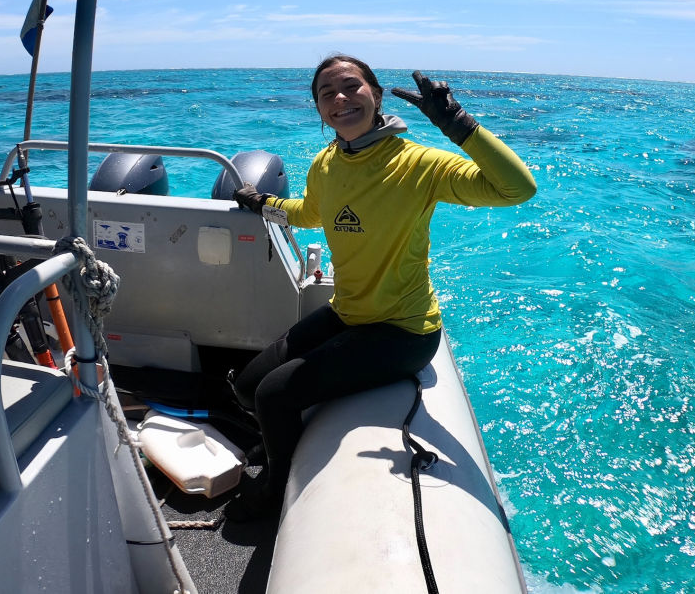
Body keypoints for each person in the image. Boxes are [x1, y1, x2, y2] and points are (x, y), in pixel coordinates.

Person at [226, 56, 536, 520]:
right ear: (317, 108)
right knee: (248, 387)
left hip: (403, 332)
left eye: (352, 86)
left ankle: (276, 491)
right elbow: (312, 211)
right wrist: (265, 204)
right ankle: (281, 442)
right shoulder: (326, 163)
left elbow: (517, 188)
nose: (340, 99)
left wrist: (458, 124)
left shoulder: (419, 164)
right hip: (348, 313)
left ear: (376, 93)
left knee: (273, 394)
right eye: (326, 93)